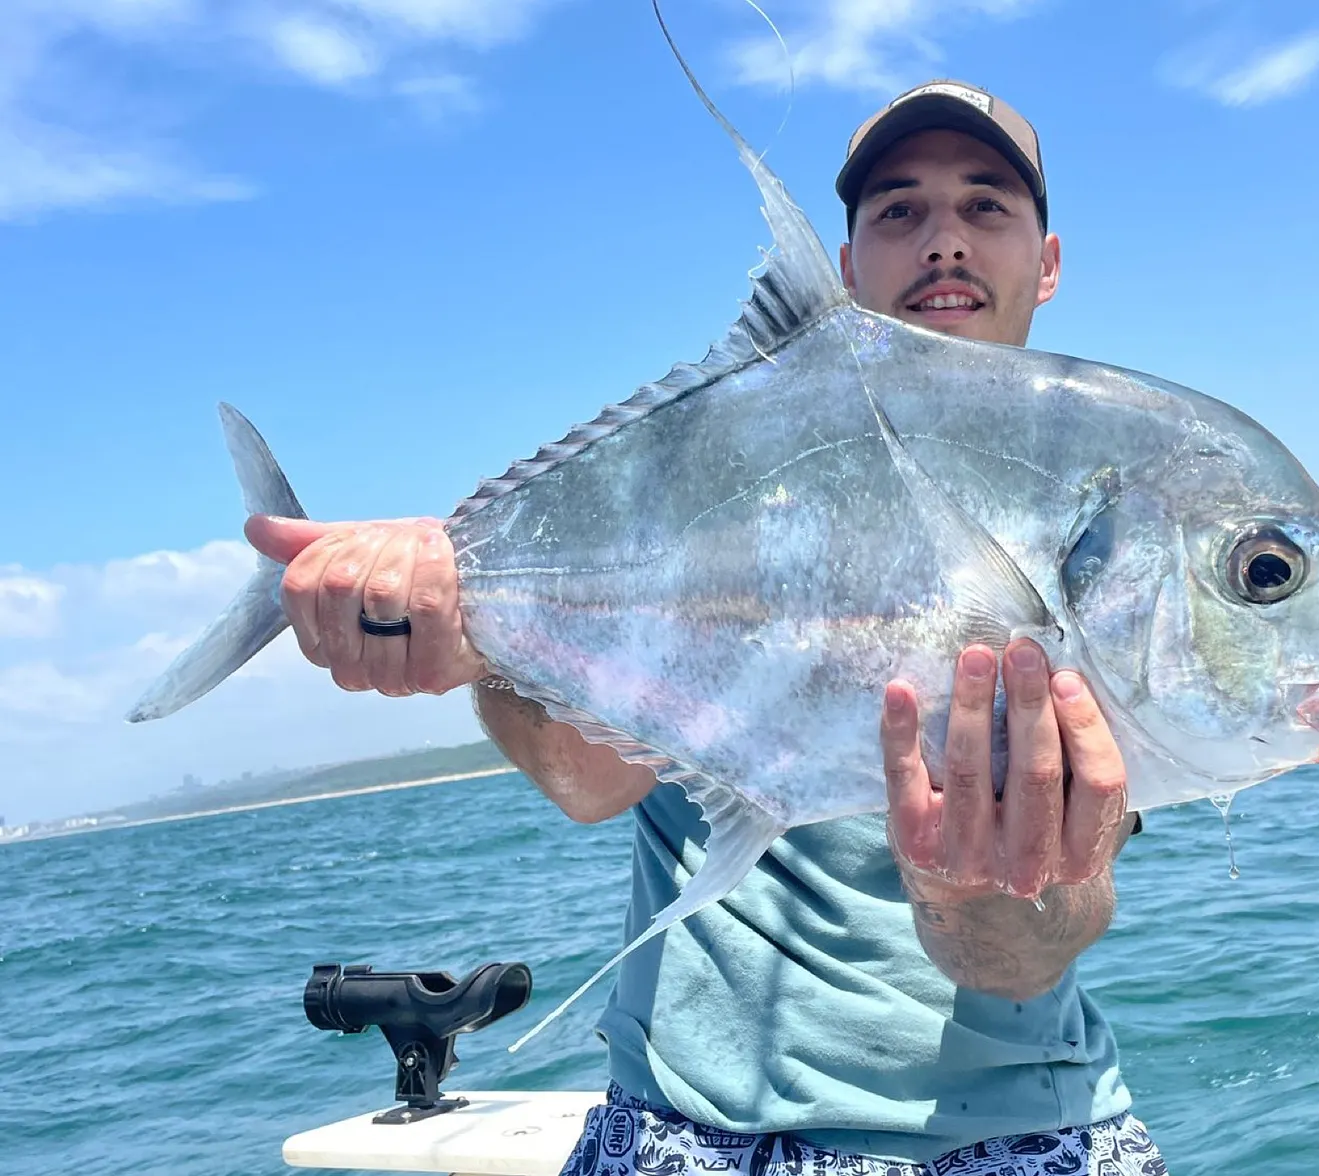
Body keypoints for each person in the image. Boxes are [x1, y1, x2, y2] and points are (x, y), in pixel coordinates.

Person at [246, 80, 1169, 1176]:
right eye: (899, 211)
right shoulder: (704, 478)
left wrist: (976, 887)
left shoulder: (1080, 497)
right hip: (682, 1134)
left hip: (1008, 1134)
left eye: (984, 207)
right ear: (841, 268)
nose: (944, 243)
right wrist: (473, 634)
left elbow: (1025, 955)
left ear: (1047, 262)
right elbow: (590, 782)